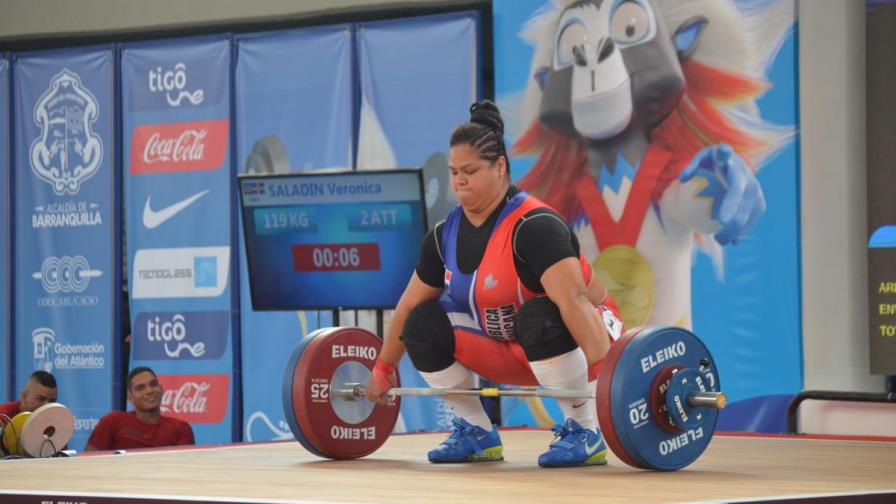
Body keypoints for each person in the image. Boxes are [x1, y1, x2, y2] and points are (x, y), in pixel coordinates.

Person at [365, 100, 623, 467]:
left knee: (539, 314)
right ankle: (476, 432)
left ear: (500, 167)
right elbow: (406, 307)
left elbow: (576, 304)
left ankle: (585, 430)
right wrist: (382, 370)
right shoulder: (442, 237)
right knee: (420, 323)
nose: (459, 181)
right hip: (510, 344)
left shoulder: (534, 227)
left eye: (470, 170)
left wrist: (605, 383)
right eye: (454, 172)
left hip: (585, 336)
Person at [85, 366, 194, 451]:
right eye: (140, 388)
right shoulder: (113, 421)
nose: (149, 390)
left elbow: (186, 470)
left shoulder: (180, 428)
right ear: (130, 397)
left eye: (153, 384)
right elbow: (89, 463)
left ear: (161, 389)